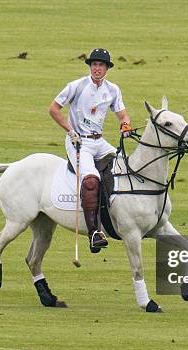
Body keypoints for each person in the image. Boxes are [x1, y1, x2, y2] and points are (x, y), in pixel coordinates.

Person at [48, 48, 132, 253]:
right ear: (90, 67)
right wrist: (70, 131)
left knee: (126, 165)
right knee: (91, 179)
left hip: (99, 142)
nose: (97, 68)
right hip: (78, 142)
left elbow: (122, 115)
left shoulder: (113, 89)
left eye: (101, 65)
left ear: (107, 68)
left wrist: (126, 125)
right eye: (94, 64)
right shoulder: (76, 86)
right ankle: (94, 232)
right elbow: (53, 109)